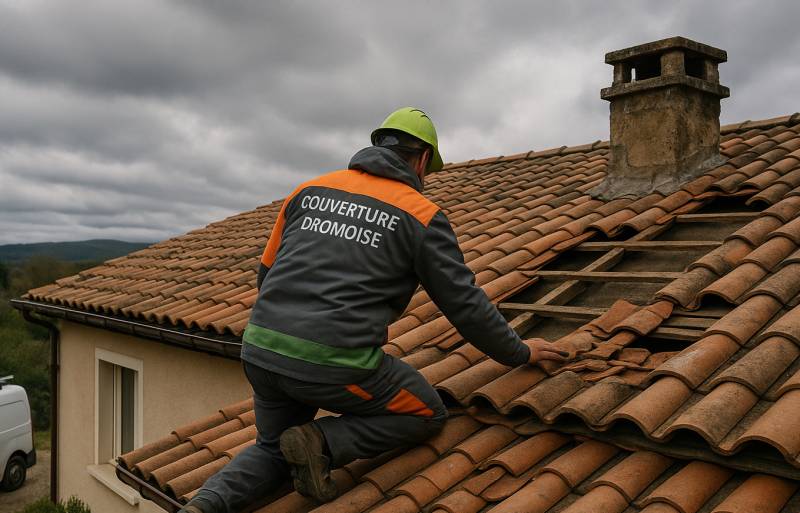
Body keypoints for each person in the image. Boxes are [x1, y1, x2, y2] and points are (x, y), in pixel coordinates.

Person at [181, 107, 570, 513]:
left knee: (272, 448)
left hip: (261, 350)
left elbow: (266, 275)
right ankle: (322, 442)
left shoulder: (308, 191)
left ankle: (203, 506)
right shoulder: (421, 215)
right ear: (422, 160)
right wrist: (520, 352)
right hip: (333, 365)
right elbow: (465, 305)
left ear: (378, 145)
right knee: (427, 414)